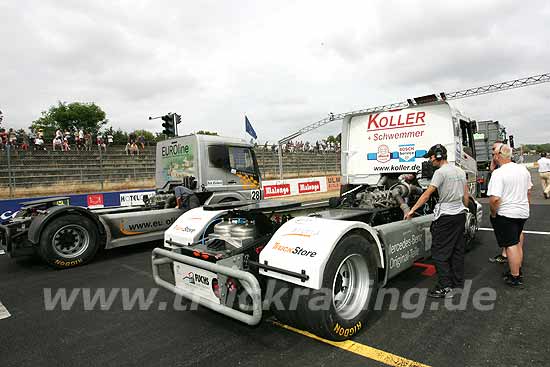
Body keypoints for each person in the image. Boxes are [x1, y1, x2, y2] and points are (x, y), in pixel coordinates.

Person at [405, 144, 469, 298]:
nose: (430, 160)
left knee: (440, 252)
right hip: (460, 214)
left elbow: (427, 195)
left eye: (431, 157)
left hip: (446, 216)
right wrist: (464, 210)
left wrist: (412, 210)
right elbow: (466, 195)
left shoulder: (440, 173)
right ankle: (457, 282)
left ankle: (445, 287)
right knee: (457, 249)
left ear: (438, 156)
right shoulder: (460, 170)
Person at [487, 144, 532, 287]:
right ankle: (517, 270)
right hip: (522, 211)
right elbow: (528, 191)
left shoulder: (499, 173)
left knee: (511, 244)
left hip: (506, 213)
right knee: (517, 242)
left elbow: (494, 199)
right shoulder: (522, 169)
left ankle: (515, 277)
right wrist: (525, 207)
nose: (493, 156)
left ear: (498, 156)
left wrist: (493, 213)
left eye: (494, 154)